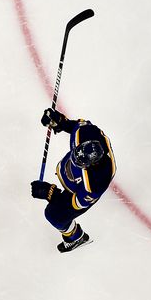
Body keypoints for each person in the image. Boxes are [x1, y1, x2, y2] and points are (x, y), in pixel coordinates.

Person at [31, 108, 117, 252]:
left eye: (80, 164)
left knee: (54, 215)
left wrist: (51, 194)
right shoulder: (85, 133)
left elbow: (76, 204)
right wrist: (61, 122)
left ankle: (76, 237)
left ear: (92, 165)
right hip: (80, 173)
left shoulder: (96, 183)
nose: (74, 160)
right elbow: (77, 125)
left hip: (79, 192)